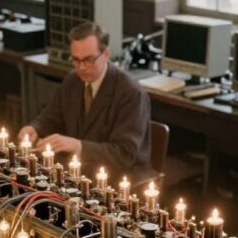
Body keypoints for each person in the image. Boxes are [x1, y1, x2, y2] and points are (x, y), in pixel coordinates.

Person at [18, 21, 152, 182]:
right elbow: (52, 116)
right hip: (80, 171)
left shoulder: (130, 92)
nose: (81, 67)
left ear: (106, 54)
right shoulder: (73, 80)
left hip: (119, 178)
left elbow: (124, 154)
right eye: (76, 60)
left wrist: (77, 146)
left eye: (89, 60)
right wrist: (35, 128)